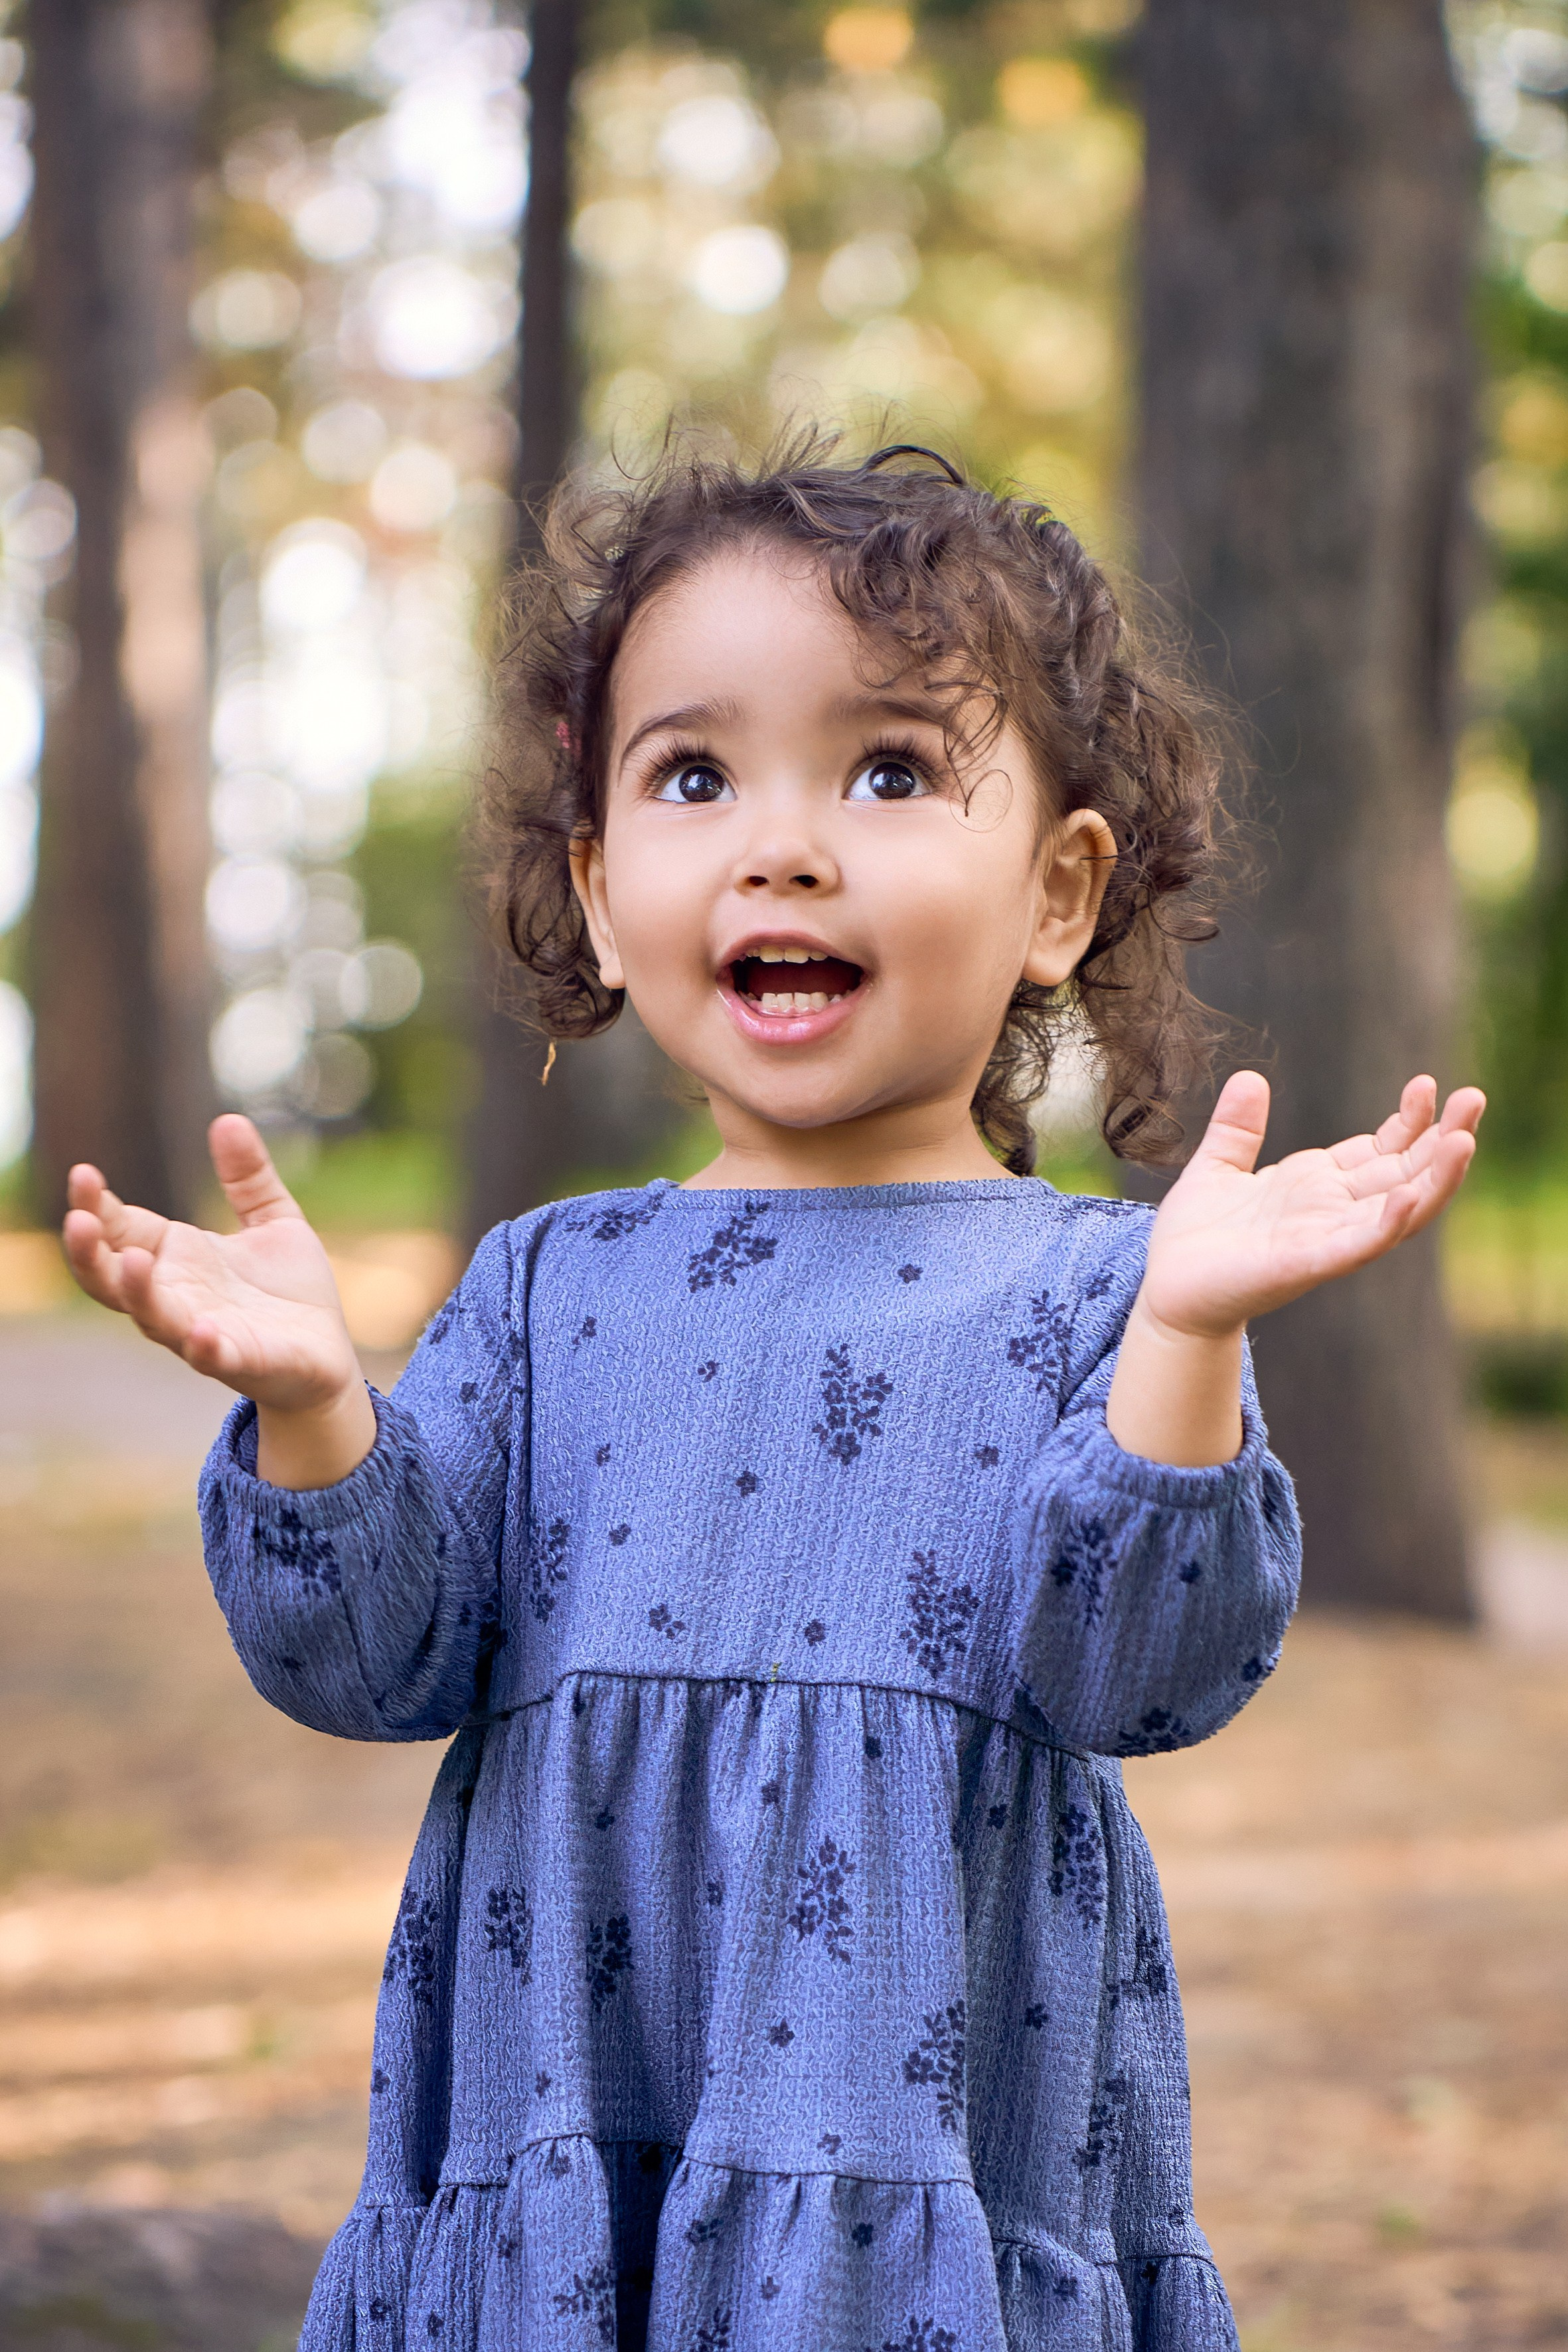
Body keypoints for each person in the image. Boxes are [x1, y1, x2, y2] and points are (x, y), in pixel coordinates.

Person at [62, 440, 1482, 2351]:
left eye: (887, 770)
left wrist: (1190, 1341)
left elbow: (1138, 1673)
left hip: (922, 2128)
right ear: (595, 882)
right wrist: (320, 1409)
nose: (780, 841)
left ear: (1062, 891)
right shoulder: (549, 1287)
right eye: (691, 773)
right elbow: (374, 1660)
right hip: (571, 2101)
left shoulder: (1093, 1290)